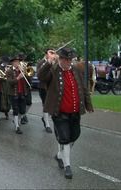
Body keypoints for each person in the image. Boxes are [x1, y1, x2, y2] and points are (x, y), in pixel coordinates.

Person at [37, 47, 93, 179]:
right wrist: (49, 62)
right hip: (59, 112)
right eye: (65, 59)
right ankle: (67, 166)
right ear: (60, 59)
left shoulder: (77, 70)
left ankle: (59, 155)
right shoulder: (53, 70)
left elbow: (83, 88)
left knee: (75, 135)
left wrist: (88, 104)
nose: (68, 62)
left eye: (70, 59)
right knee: (65, 138)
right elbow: (40, 76)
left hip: (75, 111)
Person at [6, 55, 28, 134]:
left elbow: (28, 80)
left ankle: (17, 122)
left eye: (18, 62)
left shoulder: (22, 70)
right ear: (12, 63)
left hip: (22, 92)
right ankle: (17, 126)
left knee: (22, 110)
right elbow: (9, 82)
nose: (17, 63)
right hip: (13, 93)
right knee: (16, 110)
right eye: (15, 62)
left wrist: (24, 72)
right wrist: (18, 78)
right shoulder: (9, 71)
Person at [37, 49, 54, 133]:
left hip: (51, 87)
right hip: (43, 87)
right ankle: (47, 124)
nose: (52, 55)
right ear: (46, 54)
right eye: (50, 53)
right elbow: (40, 75)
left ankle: (45, 118)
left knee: (51, 105)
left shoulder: (54, 62)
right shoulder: (41, 62)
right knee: (45, 105)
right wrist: (47, 63)